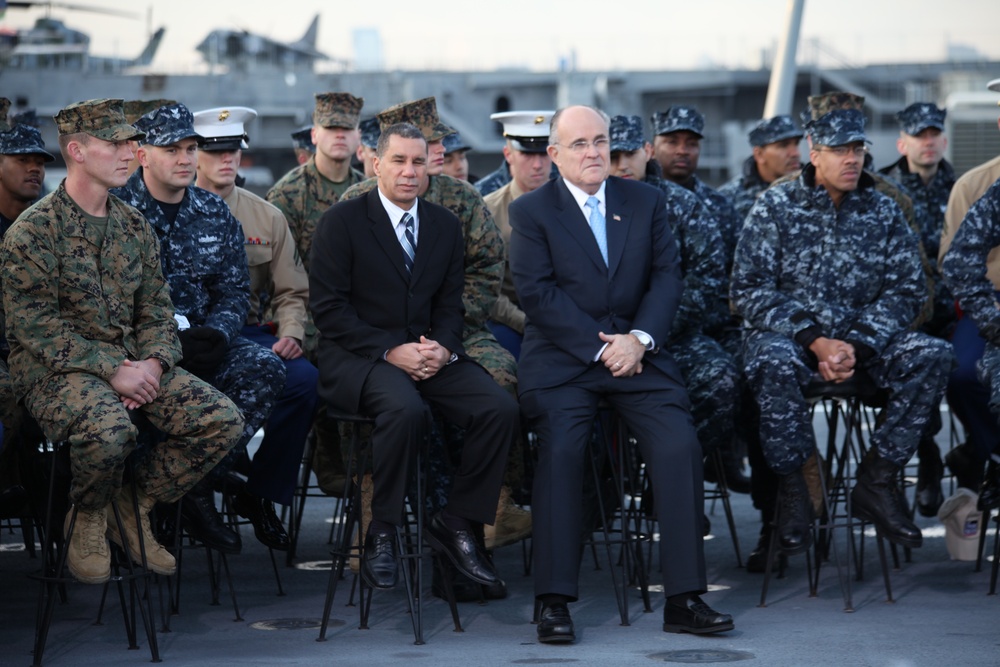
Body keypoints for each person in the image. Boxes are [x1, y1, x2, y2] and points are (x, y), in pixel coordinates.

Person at [510, 104, 733, 643]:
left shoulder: (646, 201)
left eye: (601, 141)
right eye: (580, 144)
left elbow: (666, 278)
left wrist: (640, 341)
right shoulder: (532, 212)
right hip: (566, 360)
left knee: (680, 445)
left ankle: (683, 598)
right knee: (562, 450)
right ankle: (555, 601)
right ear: (555, 154)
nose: (593, 152)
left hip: (639, 353)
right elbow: (536, 294)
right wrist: (599, 348)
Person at [0, 98, 244, 584]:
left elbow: (156, 306)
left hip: (136, 366)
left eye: (131, 142)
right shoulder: (33, 231)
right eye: (114, 143)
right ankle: (88, 512)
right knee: (112, 433)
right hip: (57, 373)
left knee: (221, 421)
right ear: (77, 150)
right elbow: (34, 326)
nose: (129, 152)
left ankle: (134, 502)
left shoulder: (133, 225)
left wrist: (154, 362)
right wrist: (115, 368)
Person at [731, 106, 954, 558]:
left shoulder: (883, 209)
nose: (851, 159)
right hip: (792, 342)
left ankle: (876, 479)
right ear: (814, 153)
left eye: (857, 149)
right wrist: (814, 339)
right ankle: (794, 491)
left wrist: (855, 345)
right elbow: (748, 289)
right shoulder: (775, 205)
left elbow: (908, 291)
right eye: (839, 151)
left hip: (863, 345)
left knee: (932, 354)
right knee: (768, 360)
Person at [309, 121, 519, 592]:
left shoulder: (443, 224)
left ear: (430, 166)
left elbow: (449, 305)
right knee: (405, 411)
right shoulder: (341, 221)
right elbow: (328, 310)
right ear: (376, 163)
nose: (409, 172)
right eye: (399, 161)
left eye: (418, 162)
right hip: (359, 356)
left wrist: (443, 346)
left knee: (499, 409)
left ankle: (458, 521)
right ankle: (382, 531)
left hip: (427, 352)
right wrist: (388, 350)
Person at [114, 102, 286, 554]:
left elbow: (234, 291)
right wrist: (166, 347)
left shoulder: (214, 211)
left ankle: (191, 480)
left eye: (191, 148)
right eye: (172, 149)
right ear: (142, 154)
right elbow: (104, 305)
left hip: (205, 343)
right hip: (141, 355)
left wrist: (220, 335)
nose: (186, 158)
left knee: (264, 368)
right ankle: (179, 492)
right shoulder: (114, 213)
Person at [193, 105, 319, 549]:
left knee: (303, 380)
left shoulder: (266, 217)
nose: (227, 160)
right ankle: (196, 482)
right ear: (194, 153)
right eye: (214, 151)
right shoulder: (170, 207)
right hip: (186, 337)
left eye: (233, 151)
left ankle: (259, 491)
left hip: (247, 334)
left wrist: (291, 333)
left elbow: (291, 290)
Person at [607, 114, 748, 499]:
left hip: (672, 334)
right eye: (612, 153)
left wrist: (646, 335)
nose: (621, 164)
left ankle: (667, 474)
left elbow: (708, 279)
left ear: (647, 152)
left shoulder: (682, 205)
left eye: (629, 153)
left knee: (721, 380)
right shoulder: (580, 204)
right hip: (599, 341)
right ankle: (600, 486)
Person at [939, 76, 1000, 506]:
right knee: (962, 373)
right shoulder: (977, 186)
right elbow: (954, 263)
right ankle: (992, 452)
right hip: (989, 310)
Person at [0, 102, 55, 514]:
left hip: (39, 349)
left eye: (39, 161)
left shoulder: (50, 225)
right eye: (22, 160)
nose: (34, 169)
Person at [483, 110, 555, 360]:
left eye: (543, 153)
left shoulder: (576, 205)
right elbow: (485, 288)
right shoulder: (488, 211)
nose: (537, 165)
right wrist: (527, 324)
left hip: (569, 321)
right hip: (511, 321)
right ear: (508, 155)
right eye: (526, 154)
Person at [267, 92, 366, 272]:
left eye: (347, 128)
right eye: (331, 127)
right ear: (314, 135)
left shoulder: (370, 190)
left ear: (358, 136)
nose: (339, 135)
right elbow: (279, 272)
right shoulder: (287, 194)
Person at [651, 105, 740, 265]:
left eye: (691, 144)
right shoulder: (641, 201)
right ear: (652, 149)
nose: (682, 151)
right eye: (672, 142)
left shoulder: (720, 206)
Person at [718, 115, 803, 222]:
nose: (795, 153)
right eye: (783, 145)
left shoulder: (815, 188)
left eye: (796, 144)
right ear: (759, 154)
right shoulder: (727, 199)